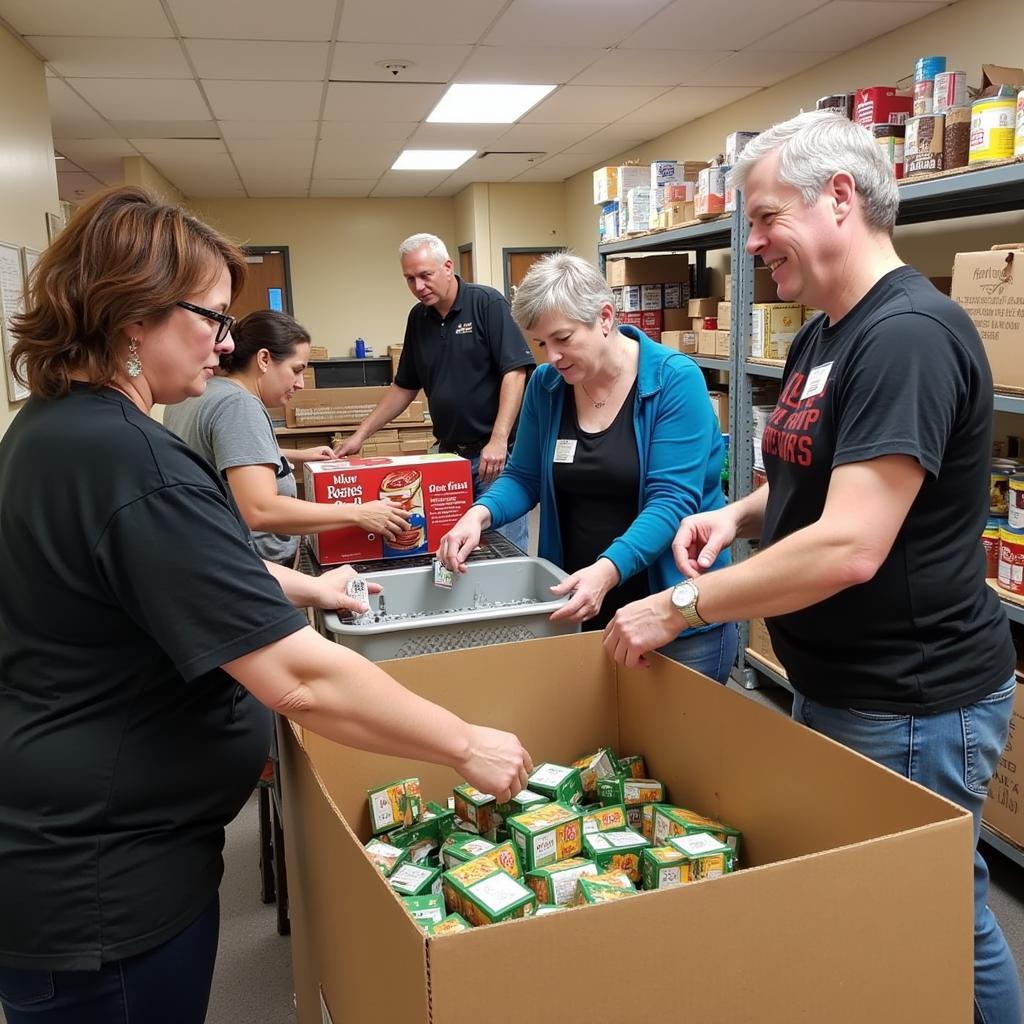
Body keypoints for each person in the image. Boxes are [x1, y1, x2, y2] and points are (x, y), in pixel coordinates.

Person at [0, 186, 532, 1024]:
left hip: (69, 857)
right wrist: (465, 743)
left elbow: (181, 571)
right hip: (105, 889)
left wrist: (310, 585)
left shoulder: (53, 428)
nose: (224, 342)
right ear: (134, 314)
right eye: (212, 317)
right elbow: (298, 680)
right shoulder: (131, 460)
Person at [602, 111, 1020, 1024]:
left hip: (914, 697)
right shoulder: (822, 334)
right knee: (876, 909)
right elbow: (805, 479)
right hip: (841, 682)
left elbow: (850, 544)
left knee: (932, 908)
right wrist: (735, 511)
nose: (751, 245)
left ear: (839, 199)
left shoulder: (906, 335)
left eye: (763, 217)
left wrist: (682, 605)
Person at [438, 252, 738, 682]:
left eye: (563, 338)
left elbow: (672, 502)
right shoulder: (547, 387)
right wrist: (478, 514)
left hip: (672, 613)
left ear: (604, 317)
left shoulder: (674, 381)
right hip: (584, 604)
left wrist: (606, 570)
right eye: (542, 344)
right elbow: (524, 477)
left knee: (680, 745)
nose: (553, 356)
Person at [335, 233, 535, 552]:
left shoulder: (487, 303)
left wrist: (498, 440)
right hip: (449, 458)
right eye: (410, 279)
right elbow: (404, 386)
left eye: (425, 276)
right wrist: (361, 435)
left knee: (502, 548)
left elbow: (515, 371)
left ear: (447, 267)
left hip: (494, 458)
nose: (418, 286)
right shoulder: (419, 318)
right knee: (454, 547)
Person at [165, 309, 410, 566]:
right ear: (263, 359)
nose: (300, 383)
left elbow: (217, 456)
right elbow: (260, 510)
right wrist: (359, 513)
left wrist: (295, 455)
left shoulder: (199, 393)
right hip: (253, 567)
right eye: (296, 370)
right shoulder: (239, 405)